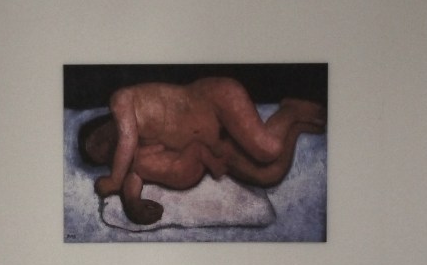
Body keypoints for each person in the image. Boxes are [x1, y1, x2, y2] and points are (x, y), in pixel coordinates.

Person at [78, 77, 325, 225]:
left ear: (104, 120)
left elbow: (126, 138)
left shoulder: (122, 100)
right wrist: (132, 202)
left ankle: (288, 111)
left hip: (216, 100)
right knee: (269, 175)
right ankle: (295, 123)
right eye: (101, 154)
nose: (105, 145)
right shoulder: (131, 154)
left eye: (97, 139)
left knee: (268, 150)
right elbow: (133, 174)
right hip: (213, 143)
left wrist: (114, 179)